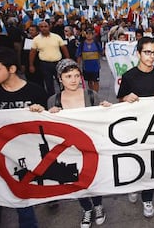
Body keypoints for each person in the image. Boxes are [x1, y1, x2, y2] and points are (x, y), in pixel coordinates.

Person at [31, 59, 111, 228]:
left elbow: (101, 120)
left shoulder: (91, 95)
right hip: (68, 150)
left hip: (90, 146)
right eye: (68, 76)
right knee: (75, 181)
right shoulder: (54, 100)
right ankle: (86, 209)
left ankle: (98, 205)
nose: (73, 80)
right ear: (60, 78)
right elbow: (50, 129)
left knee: (93, 178)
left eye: (76, 75)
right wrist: (48, 114)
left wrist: (107, 109)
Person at [0, 47, 46, 228]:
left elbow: (50, 128)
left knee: (22, 202)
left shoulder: (36, 92)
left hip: (25, 157)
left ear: (11, 69)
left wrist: (43, 113)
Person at [117, 37, 154, 218]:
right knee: (135, 163)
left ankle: (147, 198)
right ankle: (134, 187)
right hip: (134, 130)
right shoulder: (128, 76)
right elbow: (120, 99)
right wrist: (125, 98)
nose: (151, 56)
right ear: (139, 53)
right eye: (147, 52)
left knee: (153, 166)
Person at [29, 21, 70, 96]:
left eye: (45, 26)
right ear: (39, 28)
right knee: (49, 84)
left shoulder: (56, 37)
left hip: (58, 63)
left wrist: (68, 61)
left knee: (62, 82)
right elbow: (32, 53)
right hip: (45, 65)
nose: (44, 28)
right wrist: (31, 65)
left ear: (49, 27)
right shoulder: (36, 39)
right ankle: (52, 100)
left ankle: (65, 97)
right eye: (41, 27)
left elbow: (64, 49)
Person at [76, 28, 103, 92]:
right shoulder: (82, 44)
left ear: (93, 35)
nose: (89, 35)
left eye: (90, 34)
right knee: (89, 81)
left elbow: (101, 52)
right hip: (86, 67)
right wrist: (78, 65)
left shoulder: (96, 43)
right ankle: (91, 93)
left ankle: (96, 94)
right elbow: (79, 55)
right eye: (87, 34)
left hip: (95, 67)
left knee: (96, 81)